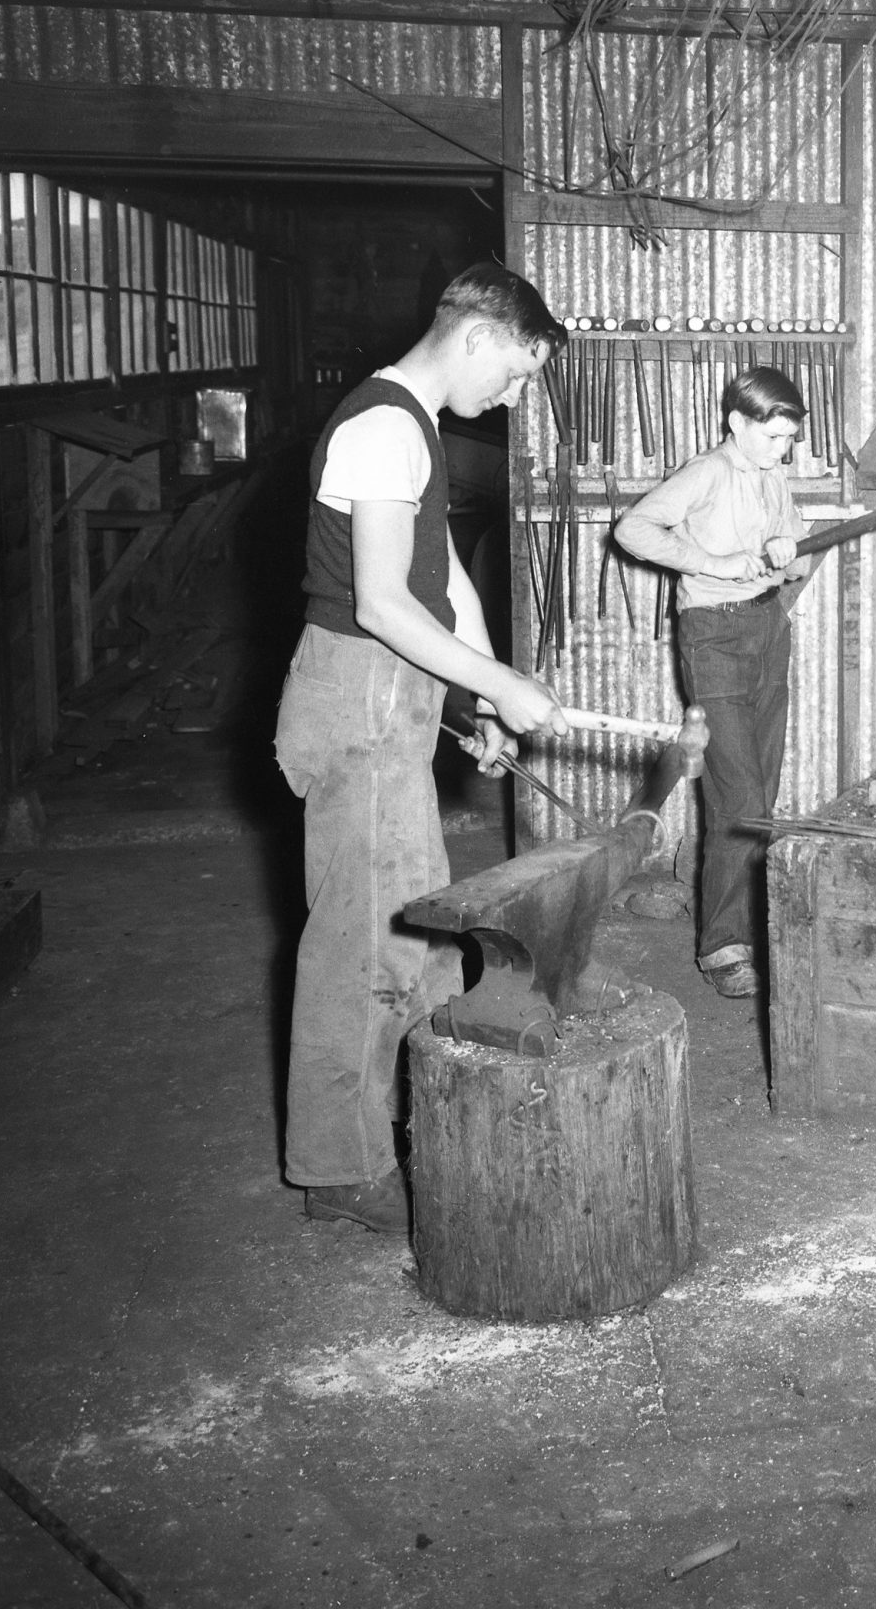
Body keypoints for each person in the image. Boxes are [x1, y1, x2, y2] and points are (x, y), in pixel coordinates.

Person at [275, 259, 574, 1231]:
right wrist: (500, 687)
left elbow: (445, 587)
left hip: (392, 692)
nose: (515, 394)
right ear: (480, 335)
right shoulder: (382, 425)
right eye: (521, 370)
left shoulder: (419, 430)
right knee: (361, 945)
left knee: (416, 936)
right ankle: (341, 1172)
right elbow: (380, 602)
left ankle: (404, 1129)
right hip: (359, 692)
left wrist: (481, 699)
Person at [613, 367, 811, 1001]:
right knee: (740, 793)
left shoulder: (773, 474)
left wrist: (789, 551)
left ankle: (754, 927)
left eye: (788, 438)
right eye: (773, 437)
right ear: (737, 424)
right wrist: (712, 563)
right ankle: (723, 944)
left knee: (764, 785)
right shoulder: (707, 472)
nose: (782, 450)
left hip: (766, 630)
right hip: (713, 636)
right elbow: (632, 529)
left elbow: (795, 550)